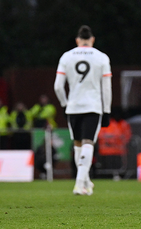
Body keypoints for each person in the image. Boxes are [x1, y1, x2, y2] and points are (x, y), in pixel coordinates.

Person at [54, 25, 112, 196]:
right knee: (88, 142)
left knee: (78, 143)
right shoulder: (101, 57)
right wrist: (107, 110)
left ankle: (85, 182)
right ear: (92, 39)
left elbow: (58, 87)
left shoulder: (67, 56)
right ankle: (79, 184)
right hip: (93, 106)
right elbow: (106, 87)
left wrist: (65, 104)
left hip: (73, 106)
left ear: (77, 40)